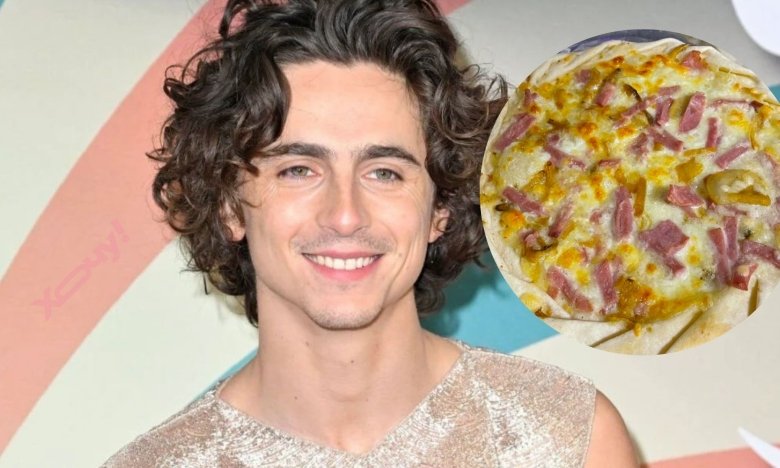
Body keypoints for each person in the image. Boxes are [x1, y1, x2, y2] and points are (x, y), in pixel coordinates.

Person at [104, 0, 637, 466]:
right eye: (298, 170)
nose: (344, 215)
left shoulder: (570, 442)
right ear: (229, 205)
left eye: (384, 172)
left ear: (441, 207)